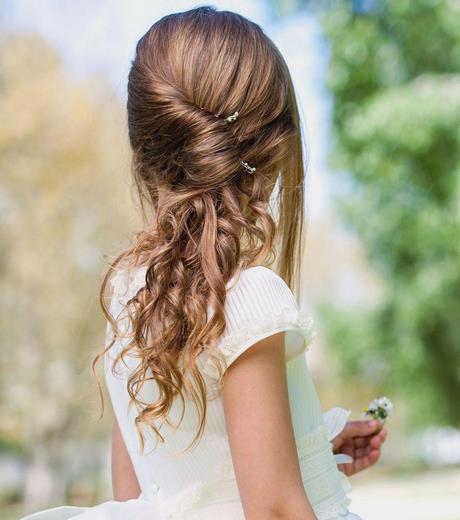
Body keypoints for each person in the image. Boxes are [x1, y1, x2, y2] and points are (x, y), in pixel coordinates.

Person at [20, 6, 387, 520]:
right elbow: (276, 510)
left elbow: (146, 494)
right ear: (276, 144)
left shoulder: (132, 301)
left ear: (143, 145)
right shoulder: (250, 295)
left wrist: (311, 452)